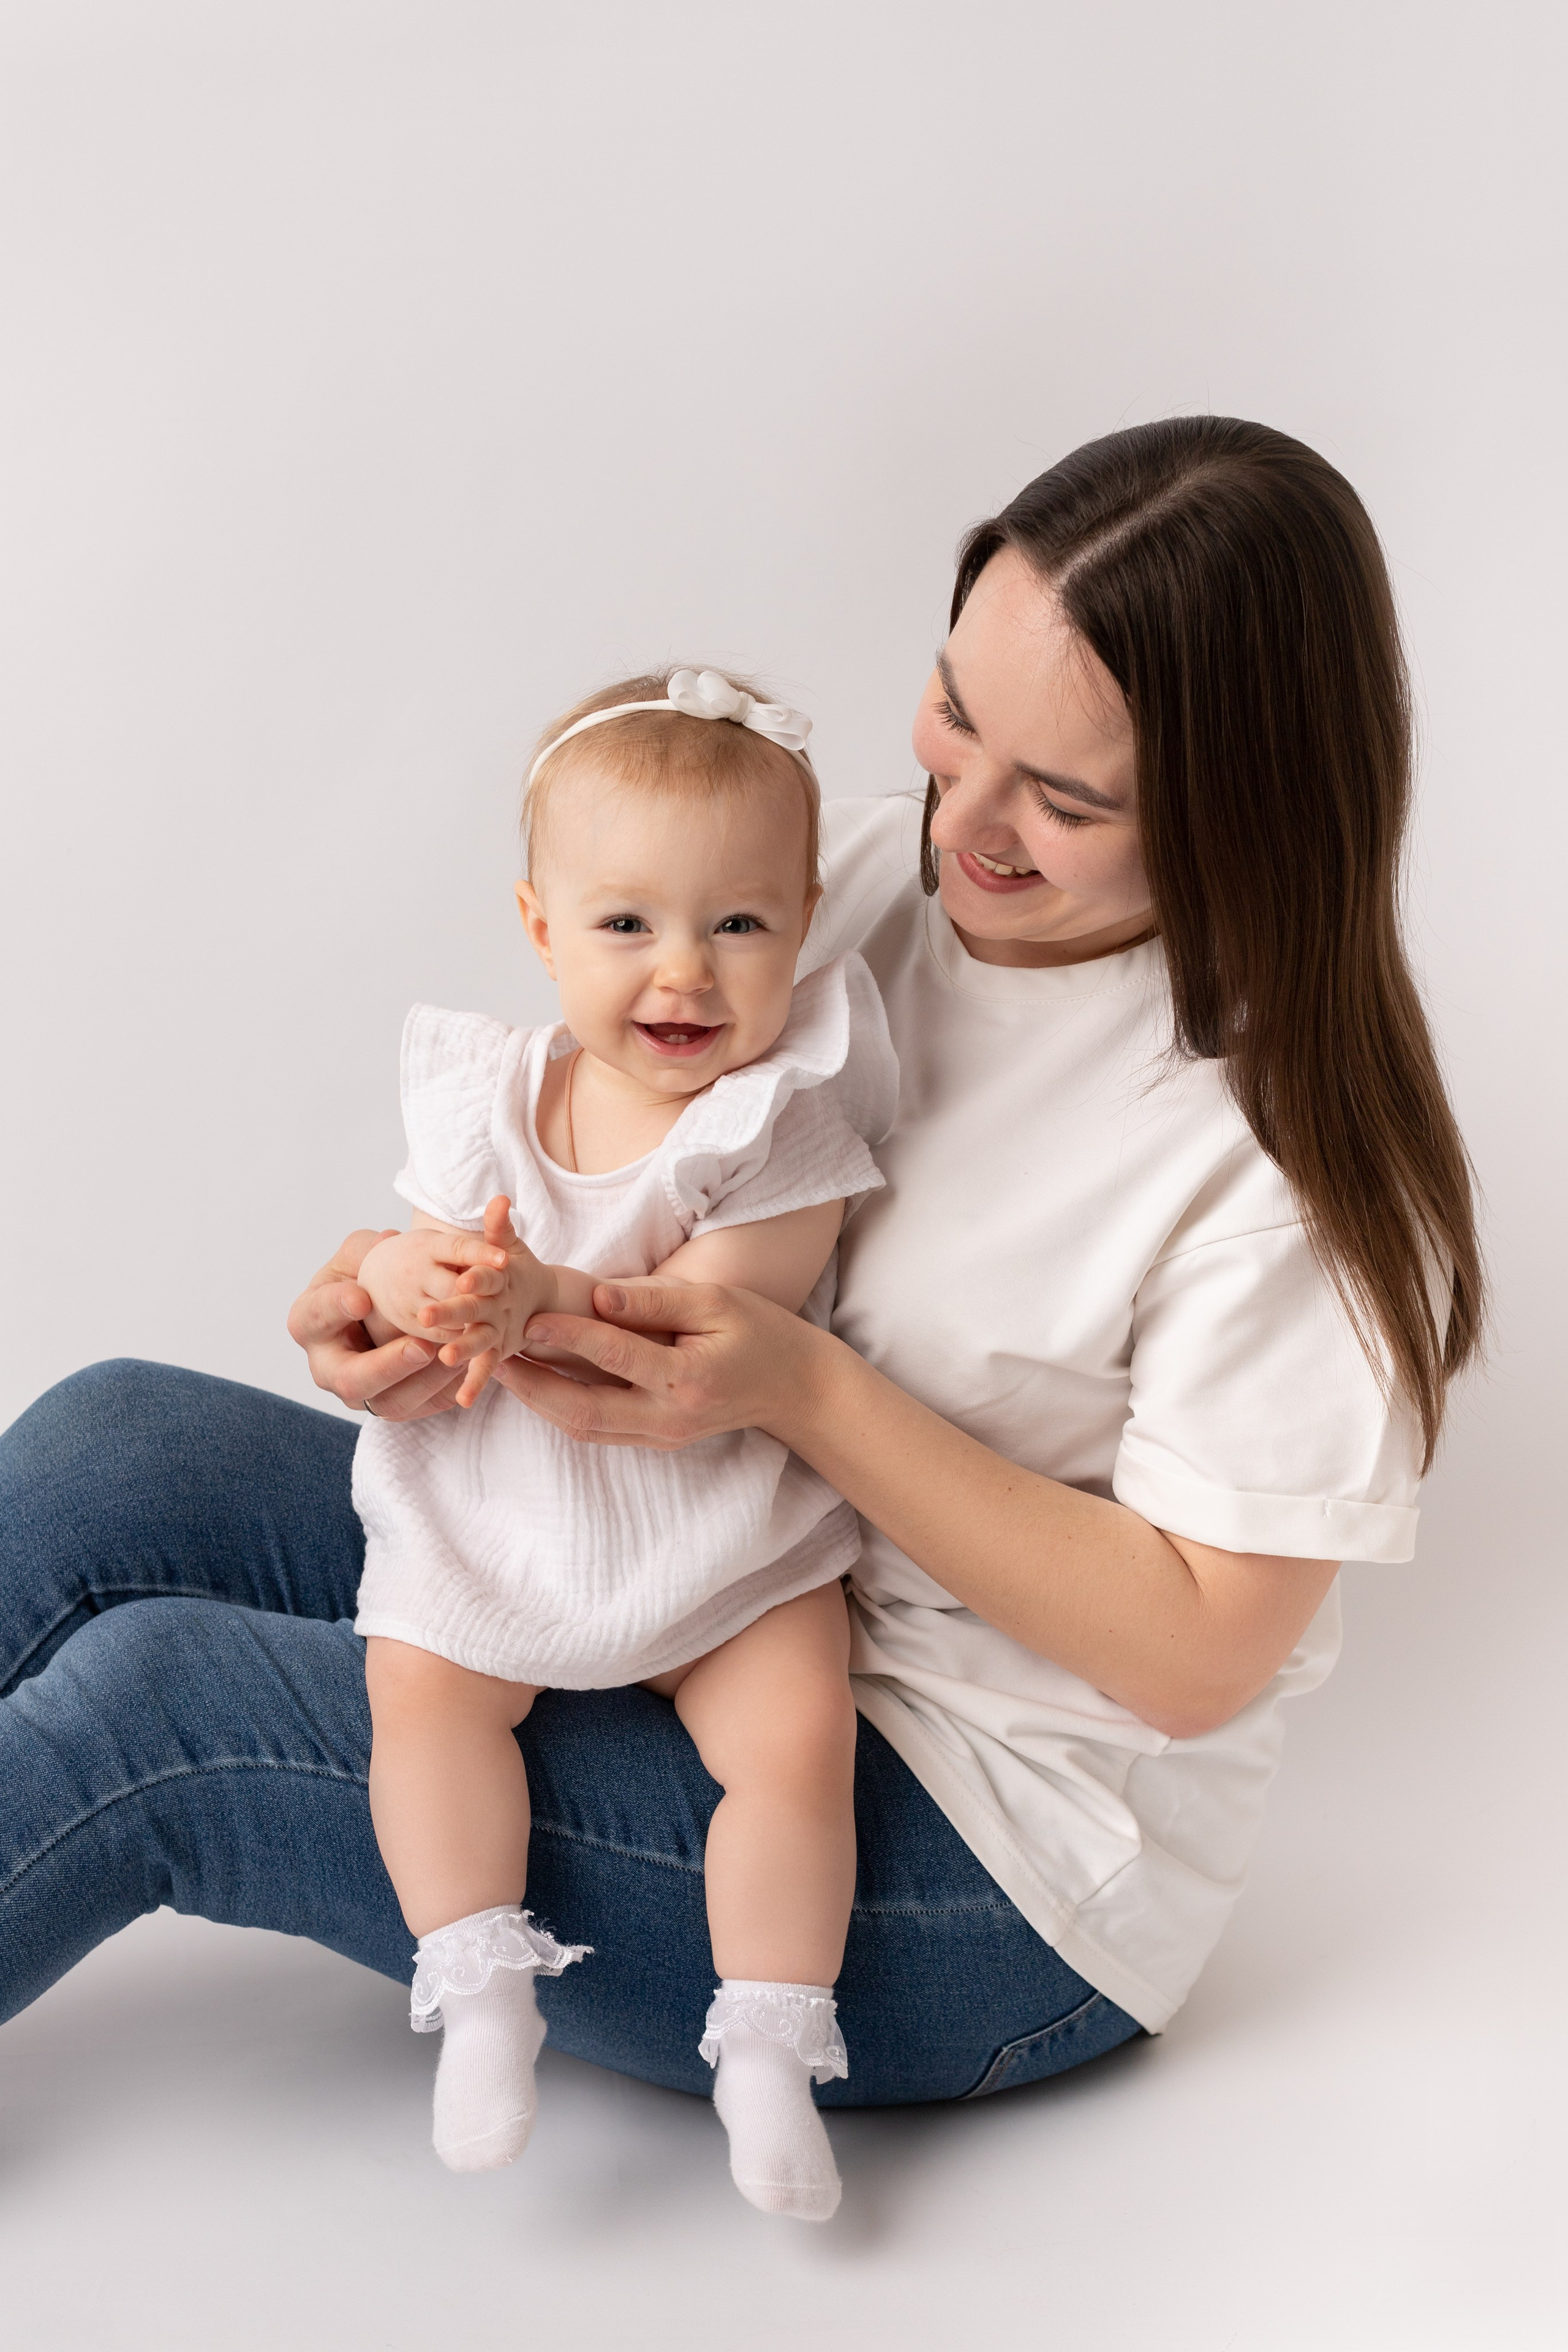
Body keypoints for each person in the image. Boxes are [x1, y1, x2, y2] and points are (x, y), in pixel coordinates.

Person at [0, 418, 1483, 2173]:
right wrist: (398, 1295)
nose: (968, 819)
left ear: (1245, 816)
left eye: (1066, 799)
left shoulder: (1285, 1163)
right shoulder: (846, 886)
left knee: (165, 1708)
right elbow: (572, 1150)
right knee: (116, 1444)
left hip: (957, 1869)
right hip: (664, 1565)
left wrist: (806, 1389)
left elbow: (1195, 1656)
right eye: (955, 713)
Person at [352, 662, 895, 2218]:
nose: (685, 972)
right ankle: (479, 1987)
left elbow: (707, 1323)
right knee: (421, 1683)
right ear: (539, 928)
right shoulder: (489, 1094)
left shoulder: (779, 1123)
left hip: (719, 1528)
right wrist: (405, 1277)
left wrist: (541, 1295)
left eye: (739, 925)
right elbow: (424, 1259)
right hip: (509, 1506)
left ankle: (771, 2048)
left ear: (800, 927)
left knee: (796, 1741)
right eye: (626, 924)